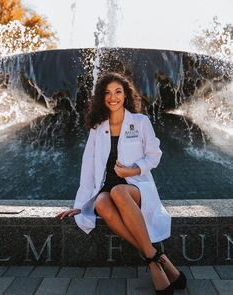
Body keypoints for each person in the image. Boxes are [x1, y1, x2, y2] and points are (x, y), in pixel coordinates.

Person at [57, 72, 186, 295]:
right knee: (102, 203)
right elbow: (88, 165)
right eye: (107, 93)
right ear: (101, 97)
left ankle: (154, 262)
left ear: (125, 95)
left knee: (118, 191)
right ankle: (156, 257)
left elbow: (154, 156)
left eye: (118, 91)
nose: (112, 97)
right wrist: (80, 204)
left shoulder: (140, 122)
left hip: (136, 186)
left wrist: (132, 170)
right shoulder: (97, 127)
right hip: (108, 188)